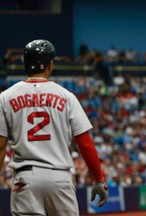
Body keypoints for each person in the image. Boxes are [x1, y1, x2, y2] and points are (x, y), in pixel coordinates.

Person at [0, 39, 108, 215]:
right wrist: (98, 180)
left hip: (25, 180)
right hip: (59, 178)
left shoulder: (5, 97)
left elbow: (0, 147)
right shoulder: (66, 96)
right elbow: (85, 144)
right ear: (50, 64)